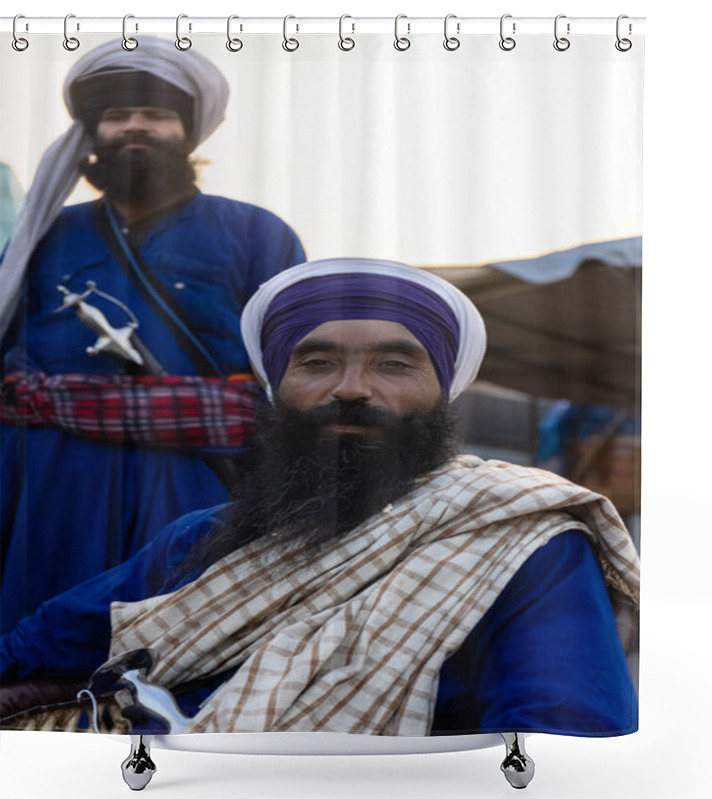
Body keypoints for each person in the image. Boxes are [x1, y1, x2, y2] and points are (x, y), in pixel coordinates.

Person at [0, 258, 639, 738]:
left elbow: (564, 744)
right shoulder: (202, 538)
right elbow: (38, 643)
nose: (353, 388)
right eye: (316, 363)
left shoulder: (521, 543)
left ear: (442, 392)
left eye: (394, 364)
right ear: (277, 389)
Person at [0, 37, 306, 630]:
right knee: (33, 636)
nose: (134, 126)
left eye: (156, 114)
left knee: (179, 634)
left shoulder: (256, 233)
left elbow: (295, 369)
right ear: (92, 133)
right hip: (52, 480)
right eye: (116, 115)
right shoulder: (44, 236)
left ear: (189, 132)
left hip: (199, 474)